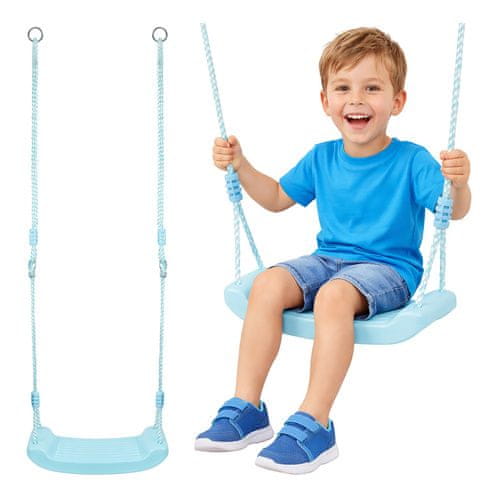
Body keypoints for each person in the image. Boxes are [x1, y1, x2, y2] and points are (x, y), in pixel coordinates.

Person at [195, 27, 471, 474]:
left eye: (372, 88)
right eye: (343, 88)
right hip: (328, 260)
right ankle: (247, 407)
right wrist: (241, 167)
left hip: (389, 269)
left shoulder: (412, 160)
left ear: (397, 101)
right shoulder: (321, 156)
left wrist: (458, 184)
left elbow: (452, 211)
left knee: (334, 296)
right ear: (326, 101)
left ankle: (315, 422)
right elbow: (277, 197)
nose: (356, 99)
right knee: (268, 283)